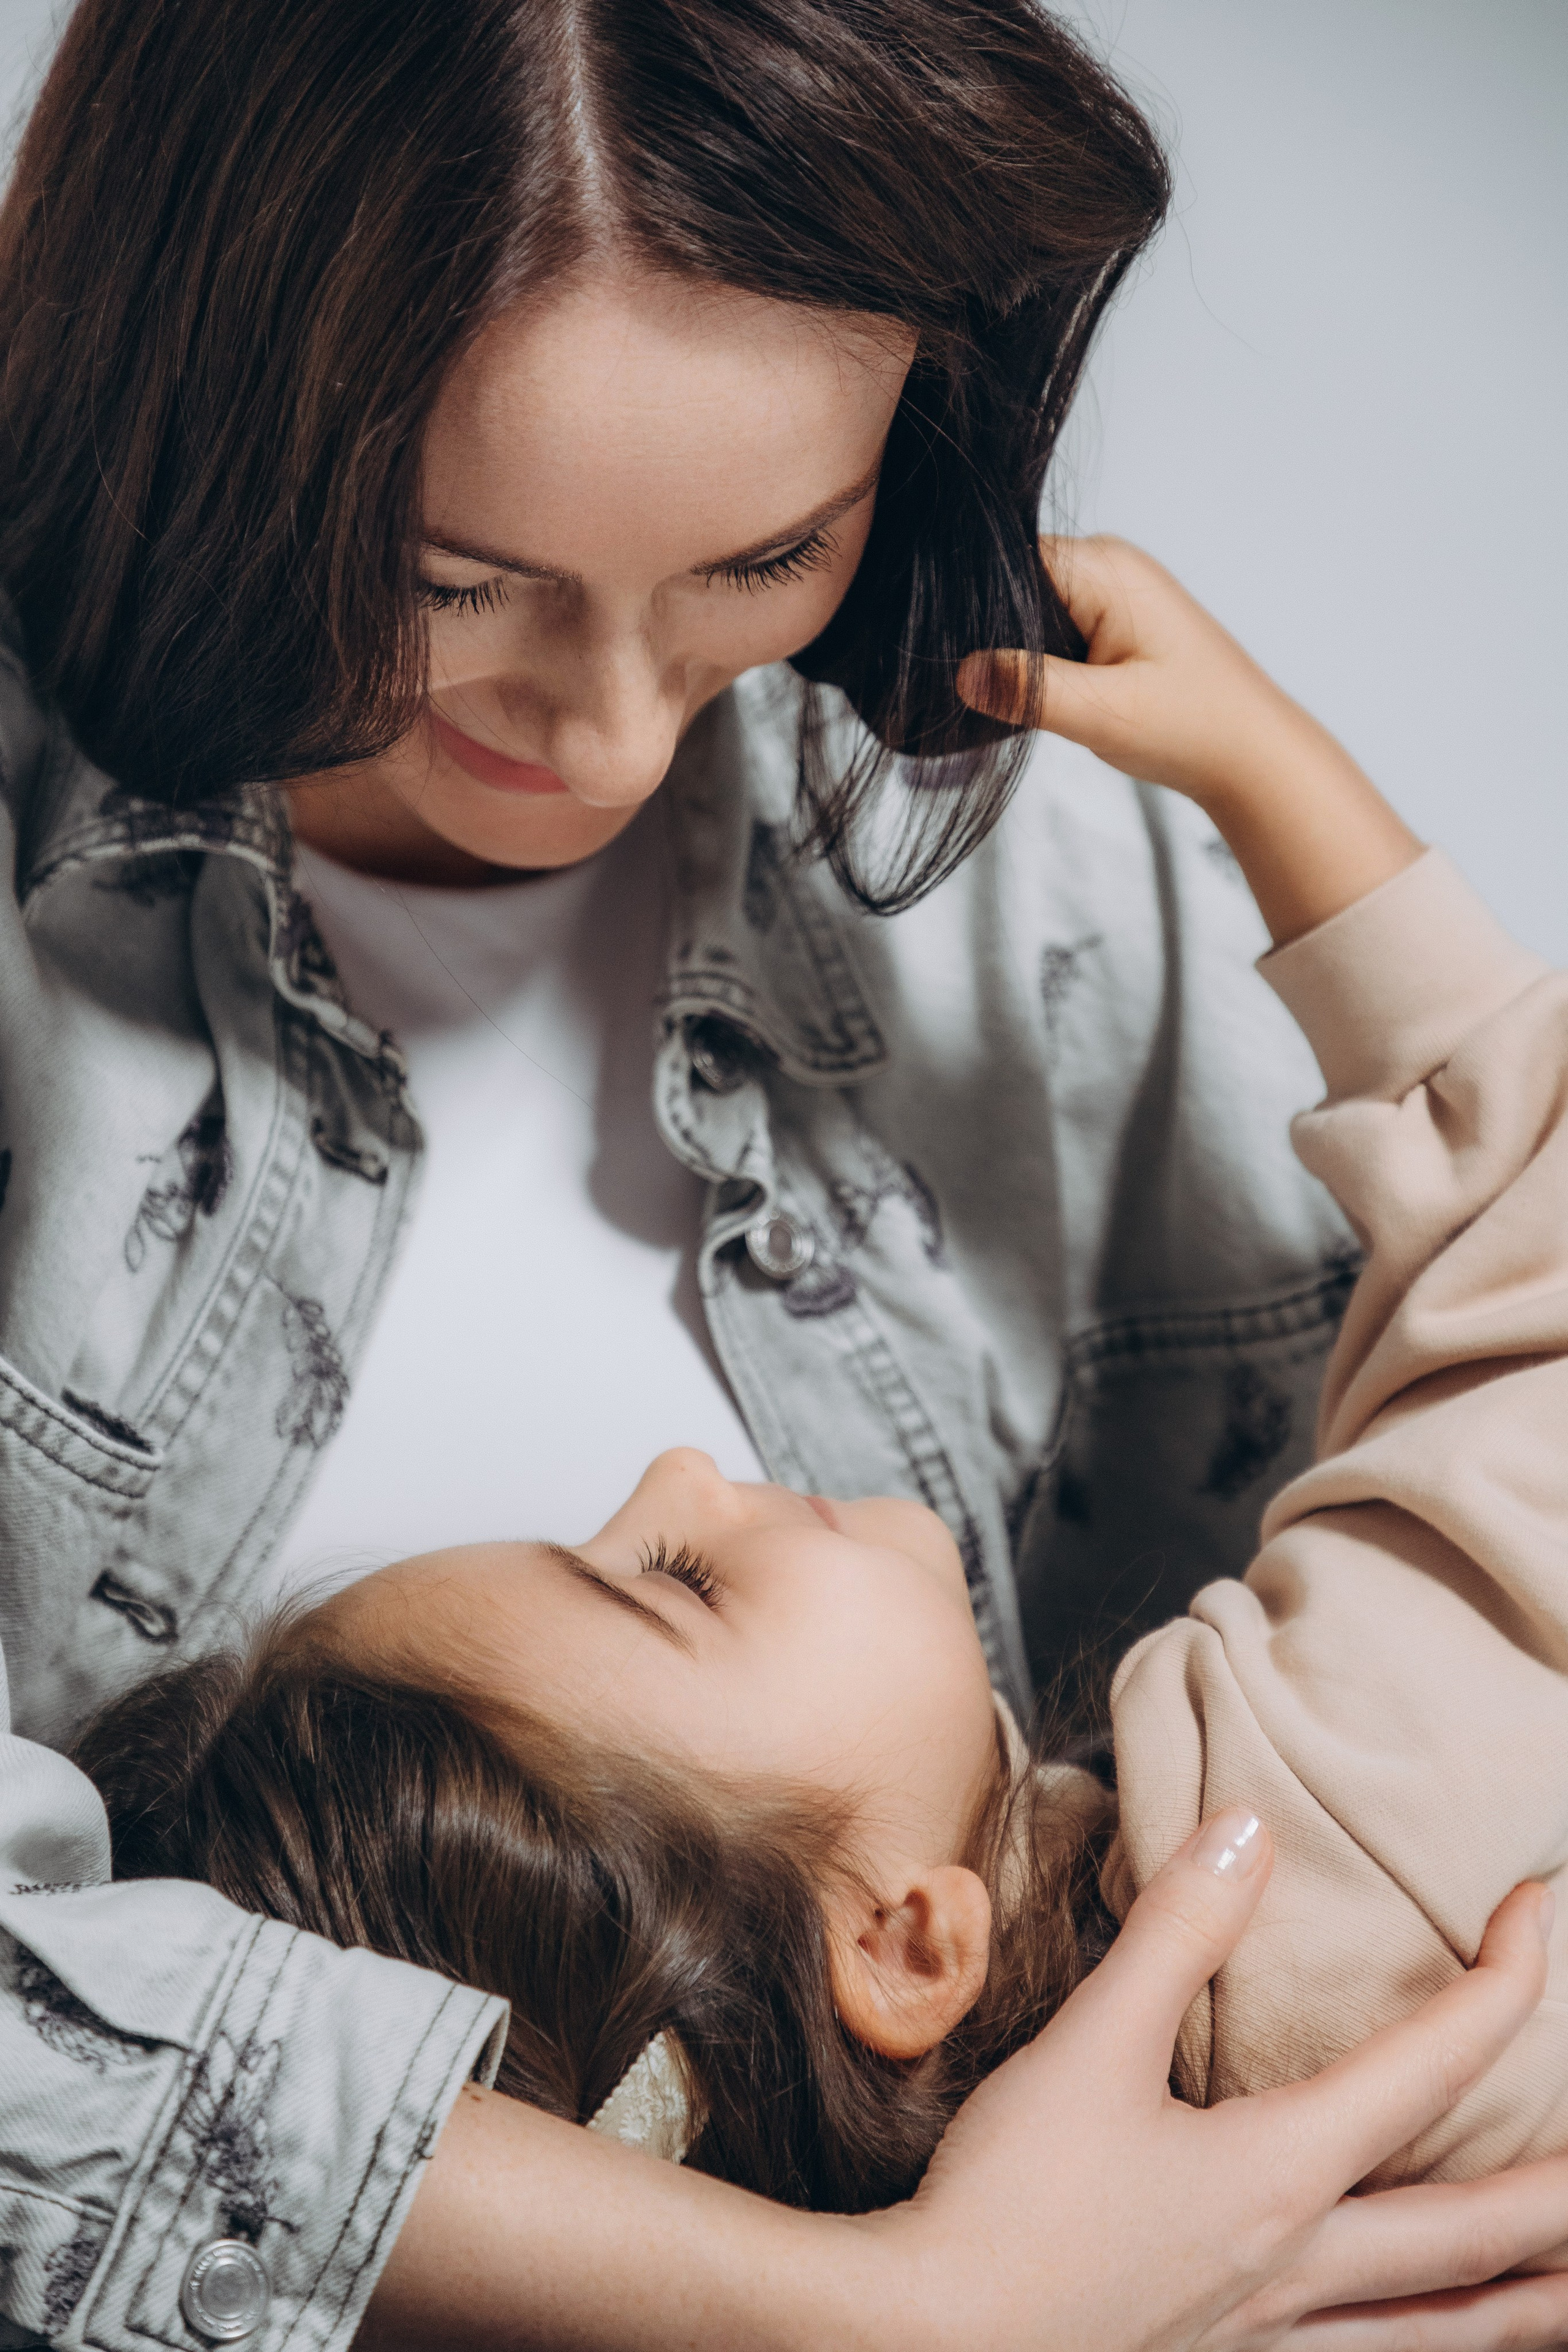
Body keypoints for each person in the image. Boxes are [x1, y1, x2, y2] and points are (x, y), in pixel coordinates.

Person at [2, 0, 1567, 2342]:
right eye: (450, 577)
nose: (616, 731)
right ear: (200, 385)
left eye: (767, 557)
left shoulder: (1041, 889)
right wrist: (887, 2315)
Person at [72, 540, 1568, 2222]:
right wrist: (1276, 777)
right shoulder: (1281, 1868)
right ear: (905, 1942)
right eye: (678, 1583)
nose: (679, 1471)